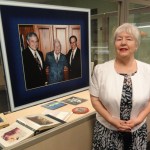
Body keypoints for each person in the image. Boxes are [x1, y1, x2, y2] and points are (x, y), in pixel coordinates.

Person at [89, 23, 150, 150]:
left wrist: (139, 119)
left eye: (129, 39)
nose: (123, 42)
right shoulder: (100, 70)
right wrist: (111, 120)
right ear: (115, 44)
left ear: (136, 45)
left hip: (137, 132)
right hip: (106, 131)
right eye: (119, 39)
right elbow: (94, 99)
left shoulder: (148, 70)